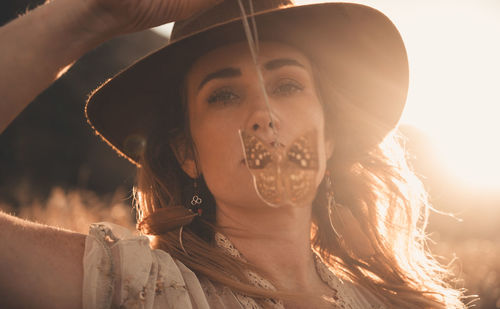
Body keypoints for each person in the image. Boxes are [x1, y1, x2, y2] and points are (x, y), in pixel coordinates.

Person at [0, 0, 469, 308]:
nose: (263, 116)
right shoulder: (138, 286)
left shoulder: (400, 302)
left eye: (287, 85)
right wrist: (93, 14)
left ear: (328, 139)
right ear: (188, 153)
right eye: (223, 95)